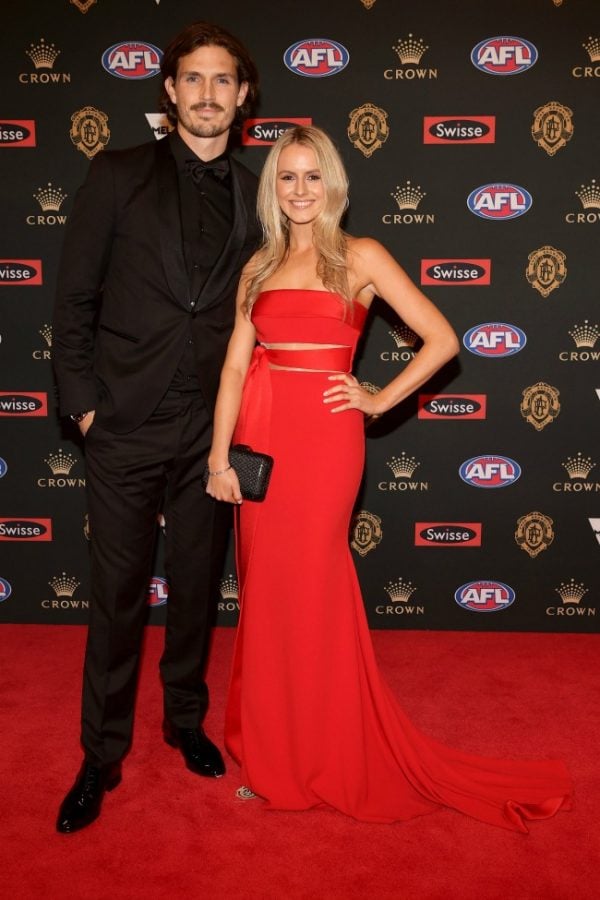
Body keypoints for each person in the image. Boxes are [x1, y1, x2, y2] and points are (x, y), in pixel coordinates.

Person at [205, 125, 572, 830]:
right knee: (268, 591)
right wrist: (220, 459)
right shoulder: (256, 268)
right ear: (271, 188)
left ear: (334, 184)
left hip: (325, 440)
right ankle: (275, 757)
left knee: (313, 587)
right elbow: (230, 369)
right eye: (287, 176)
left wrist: (375, 398)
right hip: (262, 438)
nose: (301, 190)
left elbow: (442, 338)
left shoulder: (361, 256)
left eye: (314, 176)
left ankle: (325, 752)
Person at [52, 22, 261, 834]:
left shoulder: (258, 194)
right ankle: (99, 754)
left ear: (244, 97)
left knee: (200, 586)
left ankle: (183, 720)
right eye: (193, 81)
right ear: (169, 92)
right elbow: (73, 301)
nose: (208, 95)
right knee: (116, 595)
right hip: (125, 425)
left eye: (223, 82)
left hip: (211, 432)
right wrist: (86, 405)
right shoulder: (116, 175)